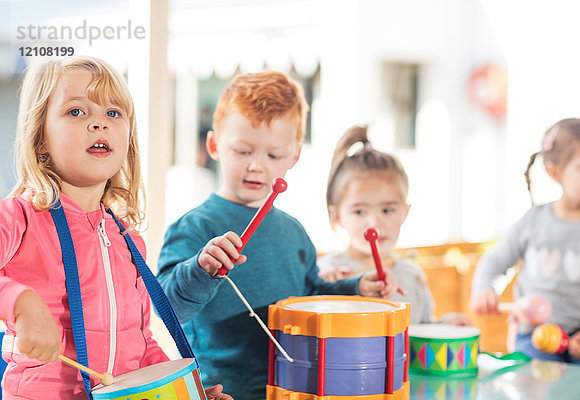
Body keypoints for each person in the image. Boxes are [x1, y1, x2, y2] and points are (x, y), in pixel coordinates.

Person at [157, 71, 399, 399]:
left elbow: (311, 295)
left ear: (294, 156)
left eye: (273, 156)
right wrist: (201, 268)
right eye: (243, 151)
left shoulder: (293, 231)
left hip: (294, 389)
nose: (257, 166)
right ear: (214, 145)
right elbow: (166, 309)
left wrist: (355, 289)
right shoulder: (194, 228)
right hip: (219, 391)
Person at [0, 56, 232, 399]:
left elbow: (140, 344)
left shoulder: (128, 239)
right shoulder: (19, 215)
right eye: (77, 112)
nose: (99, 124)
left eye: (113, 113)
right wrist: (21, 303)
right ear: (40, 139)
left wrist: (184, 394)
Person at [470, 118, 580, 366]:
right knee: (536, 383)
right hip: (534, 337)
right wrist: (484, 288)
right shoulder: (533, 221)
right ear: (555, 172)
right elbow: (495, 261)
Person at [319, 125, 469, 325]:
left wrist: (442, 326)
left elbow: (418, 330)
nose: (374, 223)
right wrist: (323, 292)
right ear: (337, 216)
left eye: (387, 210)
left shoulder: (412, 274)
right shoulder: (327, 272)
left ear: (405, 213)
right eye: (359, 211)